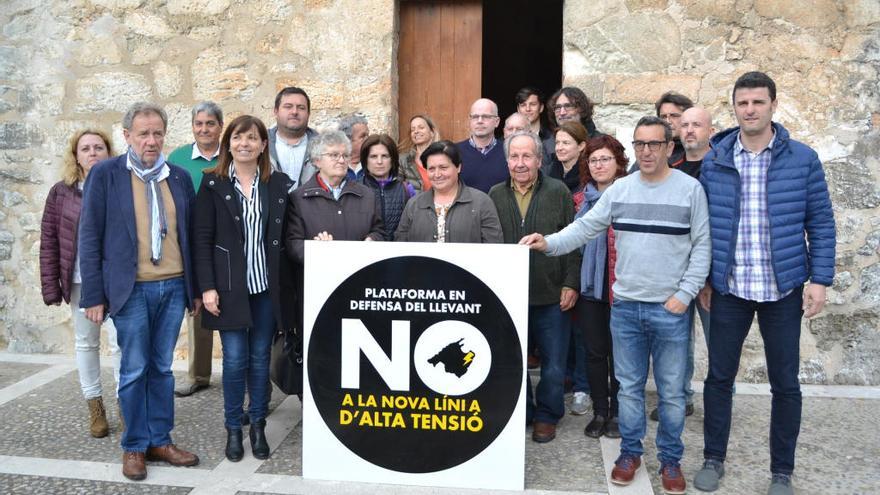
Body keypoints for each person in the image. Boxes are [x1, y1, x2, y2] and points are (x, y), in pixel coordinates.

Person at [521, 116, 710, 495]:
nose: (646, 151)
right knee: (628, 388)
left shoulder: (690, 190)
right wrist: (549, 243)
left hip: (669, 309)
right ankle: (630, 452)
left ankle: (670, 460)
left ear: (669, 148)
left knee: (672, 393)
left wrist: (684, 295)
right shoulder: (620, 191)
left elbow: (702, 246)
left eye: (654, 144)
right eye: (640, 144)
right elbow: (585, 227)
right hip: (625, 308)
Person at [694, 72, 835, 495]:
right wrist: (704, 278)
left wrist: (820, 279)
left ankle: (781, 472)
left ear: (773, 104)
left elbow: (821, 223)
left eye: (758, 102)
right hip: (730, 288)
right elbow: (701, 228)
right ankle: (713, 459)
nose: (750, 110)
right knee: (719, 378)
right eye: (743, 103)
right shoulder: (716, 160)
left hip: (783, 289)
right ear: (734, 108)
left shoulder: (802, 158)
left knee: (785, 383)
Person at [78, 102, 200, 481]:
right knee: (133, 369)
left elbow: (191, 237)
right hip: (130, 291)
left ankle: (160, 440)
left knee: (162, 368)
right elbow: (90, 236)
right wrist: (93, 295)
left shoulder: (177, 177)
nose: (151, 140)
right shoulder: (105, 175)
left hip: (174, 286)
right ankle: (134, 446)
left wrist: (194, 289)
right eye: (143, 133)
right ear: (127, 135)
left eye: (158, 133)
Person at [193, 115, 293, 462]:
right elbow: (201, 240)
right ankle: (234, 429)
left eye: (253, 138)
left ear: (264, 145)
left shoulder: (278, 184)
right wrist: (207, 288)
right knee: (235, 361)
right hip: (229, 290)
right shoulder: (213, 184)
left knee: (260, 359)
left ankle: (258, 426)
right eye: (238, 137)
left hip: (266, 289)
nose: (245, 144)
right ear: (228, 143)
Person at [488, 131, 579, 443]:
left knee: (554, 365)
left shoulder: (559, 192)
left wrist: (571, 282)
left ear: (540, 160)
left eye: (527, 156)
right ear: (507, 161)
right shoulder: (495, 194)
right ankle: (523, 411)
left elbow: (573, 241)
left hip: (552, 294)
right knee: (515, 361)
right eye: (514, 156)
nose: (520, 163)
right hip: (510, 294)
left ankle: (547, 415)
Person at [40, 129, 120, 438]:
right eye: (85, 148)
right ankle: (95, 408)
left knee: (121, 344)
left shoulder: (120, 186)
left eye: (99, 147)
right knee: (86, 343)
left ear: (108, 152)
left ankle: (124, 404)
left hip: (115, 283)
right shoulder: (62, 192)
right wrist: (50, 287)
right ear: (76, 155)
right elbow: (49, 241)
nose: (92, 153)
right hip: (78, 282)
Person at [649, 106, 715, 423]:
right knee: (677, 343)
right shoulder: (672, 167)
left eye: (696, 125)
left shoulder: (722, 168)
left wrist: (710, 276)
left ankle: (719, 403)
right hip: (675, 272)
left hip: (713, 274)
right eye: (684, 125)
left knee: (719, 342)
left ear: (710, 131)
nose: (689, 130)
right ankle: (680, 399)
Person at [573, 134, 629, 439]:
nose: (599, 165)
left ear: (618, 162)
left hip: (623, 288)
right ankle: (600, 411)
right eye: (593, 160)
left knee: (621, 354)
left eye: (605, 158)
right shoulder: (580, 200)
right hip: (590, 288)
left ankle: (619, 412)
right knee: (594, 353)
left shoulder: (631, 195)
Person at [168, 101, 224, 398]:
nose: (204, 129)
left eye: (210, 123)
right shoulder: (178, 158)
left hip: (224, 242)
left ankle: (238, 375)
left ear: (220, 127)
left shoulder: (228, 156)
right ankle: (199, 374)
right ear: (193, 127)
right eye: (199, 123)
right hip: (190, 242)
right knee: (198, 309)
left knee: (230, 310)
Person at [286, 130, 385, 260]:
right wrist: (317, 250)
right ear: (317, 160)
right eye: (334, 155)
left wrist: (372, 240)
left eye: (345, 155)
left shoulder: (366, 195)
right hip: (320, 275)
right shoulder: (298, 198)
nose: (341, 160)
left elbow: (379, 231)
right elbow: (293, 243)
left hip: (359, 273)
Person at [395, 140, 502, 243]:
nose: (437, 174)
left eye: (443, 167)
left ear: (458, 167)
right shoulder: (414, 205)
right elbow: (401, 245)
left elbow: (493, 247)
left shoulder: (481, 202)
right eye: (431, 169)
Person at [359, 134, 415, 240]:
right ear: (365, 160)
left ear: (392, 159)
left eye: (385, 156)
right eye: (373, 156)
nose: (379, 162)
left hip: (399, 253)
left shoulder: (406, 189)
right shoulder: (356, 190)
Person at [269, 86, 318, 189]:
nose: (294, 112)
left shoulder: (323, 146)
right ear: (276, 111)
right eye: (288, 106)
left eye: (301, 108)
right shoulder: (261, 144)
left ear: (309, 113)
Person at [456, 98, 509, 193]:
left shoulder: (509, 151)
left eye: (486, 116)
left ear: (497, 122)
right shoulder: (454, 151)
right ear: (470, 121)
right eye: (475, 117)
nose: (480, 121)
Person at [543, 87, 602, 165]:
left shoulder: (601, 142)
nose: (562, 112)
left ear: (581, 109)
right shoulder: (547, 145)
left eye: (568, 106)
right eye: (558, 108)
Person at [398, 114, 439, 192]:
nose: (416, 131)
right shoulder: (402, 160)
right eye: (413, 129)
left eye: (421, 127)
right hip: (414, 203)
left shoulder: (443, 158)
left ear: (432, 132)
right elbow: (397, 190)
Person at [339, 113, 369, 181]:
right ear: (348, 140)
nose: (368, 139)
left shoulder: (373, 165)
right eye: (363, 136)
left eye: (368, 135)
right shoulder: (338, 166)